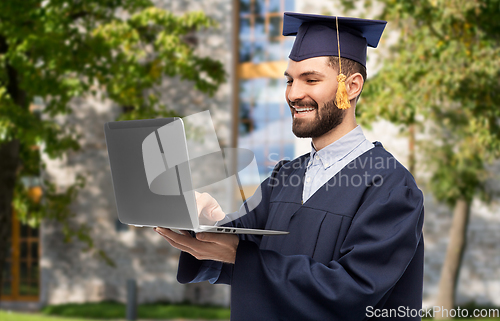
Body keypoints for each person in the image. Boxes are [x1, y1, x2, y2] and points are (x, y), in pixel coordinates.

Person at [155, 12, 424, 321]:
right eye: (289, 80)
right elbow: (240, 246)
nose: (294, 94)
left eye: (310, 79)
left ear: (351, 87)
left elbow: (354, 291)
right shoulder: (286, 176)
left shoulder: (390, 186)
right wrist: (204, 221)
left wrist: (240, 256)